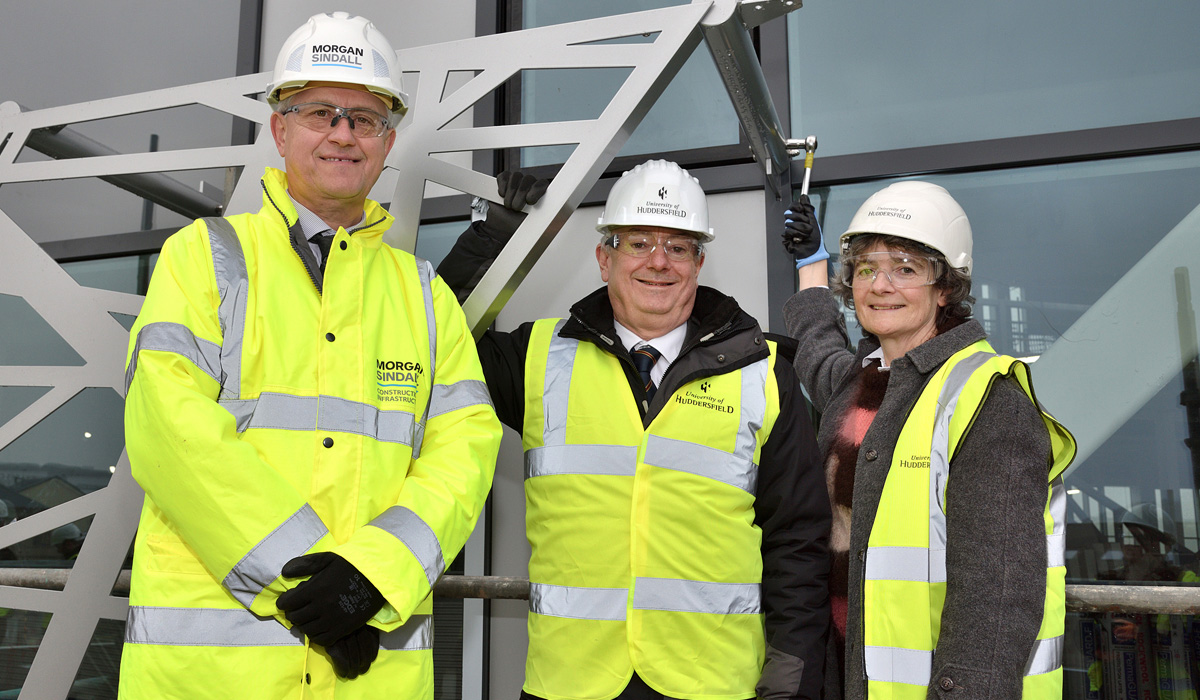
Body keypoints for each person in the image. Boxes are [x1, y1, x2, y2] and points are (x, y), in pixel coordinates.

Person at [119, 12, 502, 698]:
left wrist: (370, 581)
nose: (343, 134)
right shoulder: (204, 260)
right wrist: (306, 582)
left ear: (387, 142)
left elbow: (465, 456)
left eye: (366, 118)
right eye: (320, 111)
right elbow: (169, 433)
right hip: (210, 680)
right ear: (280, 129)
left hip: (369, 680)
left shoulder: (425, 296)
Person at [438, 159, 830, 700]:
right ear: (605, 257)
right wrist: (496, 236)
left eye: (678, 246)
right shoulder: (536, 357)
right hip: (569, 685)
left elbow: (799, 545)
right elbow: (432, 342)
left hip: (713, 686)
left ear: (699, 262)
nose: (658, 262)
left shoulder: (764, 373)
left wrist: (791, 683)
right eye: (639, 243)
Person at [780, 181, 1076, 699]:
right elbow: (815, 345)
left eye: (905, 268)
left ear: (946, 289)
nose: (880, 285)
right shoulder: (861, 381)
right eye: (866, 269)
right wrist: (811, 264)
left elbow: (998, 594)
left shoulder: (987, 395)